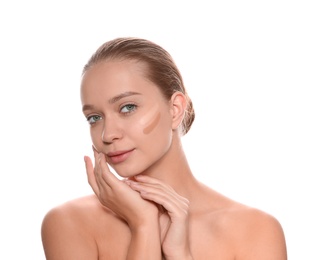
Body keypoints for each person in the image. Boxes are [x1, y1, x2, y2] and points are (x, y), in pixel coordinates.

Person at [41, 37, 287, 259]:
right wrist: (144, 225)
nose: (107, 134)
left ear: (175, 109)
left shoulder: (255, 230)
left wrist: (181, 256)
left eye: (127, 107)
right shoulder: (69, 223)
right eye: (94, 117)